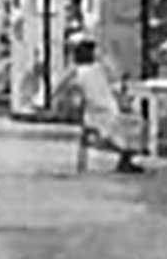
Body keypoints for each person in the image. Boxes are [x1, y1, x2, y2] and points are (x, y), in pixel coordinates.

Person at [54, 39, 143, 173]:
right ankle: (126, 157)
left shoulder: (98, 68)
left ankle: (126, 157)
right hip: (97, 112)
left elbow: (114, 77)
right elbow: (63, 88)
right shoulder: (82, 71)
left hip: (108, 108)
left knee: (132, 121)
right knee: (122, 124)